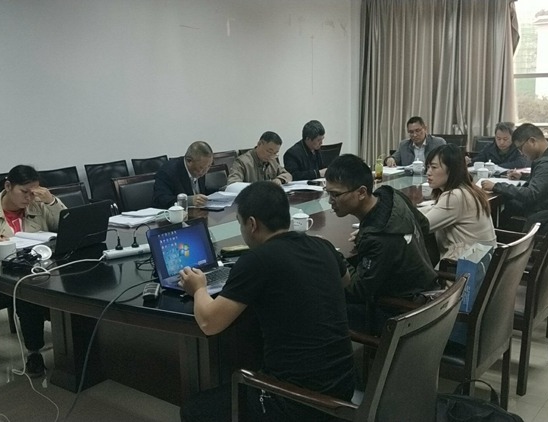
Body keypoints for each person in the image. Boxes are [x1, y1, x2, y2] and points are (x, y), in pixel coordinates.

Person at [177, 182, 355, 421]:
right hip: (342, 389)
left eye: (240, 223)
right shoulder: (323, 246)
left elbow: (209, 323)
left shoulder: (257, 260)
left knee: (194, 410)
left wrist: (198, 288)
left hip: (296, 401)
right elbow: (346, 281)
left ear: (252, 224)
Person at [0, 165, 66, 377]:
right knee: (28, 294)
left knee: (68, 283)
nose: (29, 198)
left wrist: (51, 202)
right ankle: (34, 353)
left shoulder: (38, 205)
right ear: (8, 186)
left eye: (34, 192)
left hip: (39, 270)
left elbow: (65, 224)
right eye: (24, 192)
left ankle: (73, 342)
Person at [325, 154, 438, 334]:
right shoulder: (391, 196)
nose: (330, 201)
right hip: (426, 289)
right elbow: (423, 225)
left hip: (400, 312)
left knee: (320, 302)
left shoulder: (379, 237)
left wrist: (335, 255)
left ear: (361, 192)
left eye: (335, 195)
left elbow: (358, 290)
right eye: (328, 192)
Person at [481, 123, 548, 229]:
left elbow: (531, 194)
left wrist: (496, 186)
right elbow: (547, 181)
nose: (521, 153)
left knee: (506, 208)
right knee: (510, 205)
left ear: (532, 141)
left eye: (520, 148)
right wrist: (522, 177)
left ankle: (499, 237)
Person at [420, 145, 496, 260]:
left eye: (434, 167)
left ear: (451, 170)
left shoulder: (455, 196)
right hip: (482, 261)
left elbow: (422, 226)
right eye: (428, 167)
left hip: (465, 266)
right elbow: (435, 209)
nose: (428, 172)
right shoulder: (468, 189)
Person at [152, 141, 215, 208]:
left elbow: (201, 192)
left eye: (208, 166)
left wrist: (221, 190)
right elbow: (161, 200)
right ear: (189, 161)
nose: (205, 171)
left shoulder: (200, 168)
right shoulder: (168, 172)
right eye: (201, 167)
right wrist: (189, 201)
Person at [227, 131, 292, 185]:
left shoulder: (272, 161)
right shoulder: (243, 162)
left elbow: (287, 174)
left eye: (275, 153)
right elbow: (232, 184)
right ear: (259, 144)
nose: (271, 156)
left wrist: (279, 179)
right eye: (269, 151)